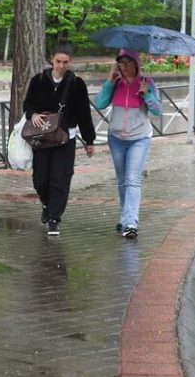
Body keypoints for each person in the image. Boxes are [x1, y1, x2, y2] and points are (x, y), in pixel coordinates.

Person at [23, 41, 96, 236]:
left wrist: (89, 140)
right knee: (40, 179)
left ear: (70, 62)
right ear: (51, 60)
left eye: (65, 62)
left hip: (66, 138)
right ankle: (47, 204)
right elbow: (27, 104)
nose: (61, 66)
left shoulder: (76, 84)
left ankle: (54, 218)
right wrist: (33, 114)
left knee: (60, 178)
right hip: (42, 138)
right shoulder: (38, 80)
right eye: (58, 61)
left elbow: (84, 113)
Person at [94, 49, 162, 239]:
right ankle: (125, 217)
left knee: (133, 179)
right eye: (120, 63)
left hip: (139, 138)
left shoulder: (147, 83)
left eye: (127, 62)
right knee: (122, 180)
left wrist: (147, 95)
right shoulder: (115, 83)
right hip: (116, 139)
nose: (123, 66)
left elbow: (158, 110)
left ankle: (131, 223)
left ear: (136, 64)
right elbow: (99, 104)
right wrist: (109, 81)